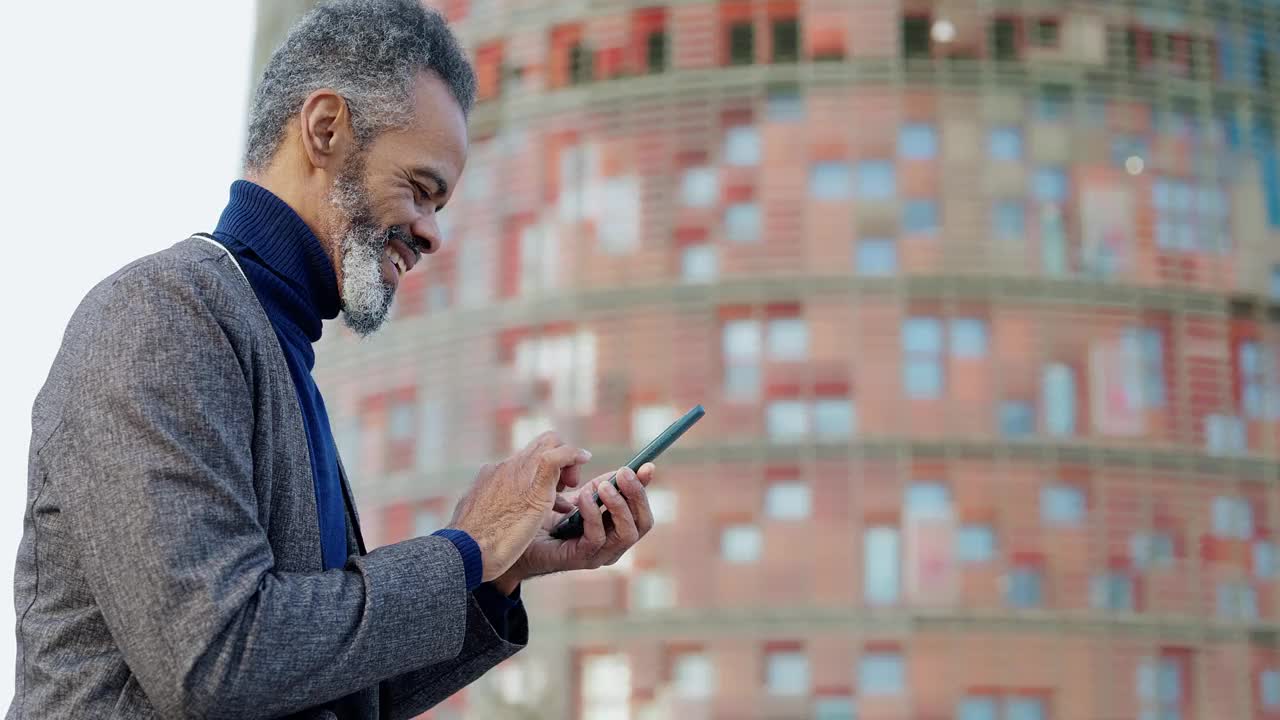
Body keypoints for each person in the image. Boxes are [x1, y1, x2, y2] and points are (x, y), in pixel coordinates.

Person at [8, 1, 656, 718]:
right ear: (325, 129)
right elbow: (217, 660)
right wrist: (466, 547)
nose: (433, 233)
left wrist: (494, 574)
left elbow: (315, 684)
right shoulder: (160, 315)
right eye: (421, 189)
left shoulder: (279, 353)